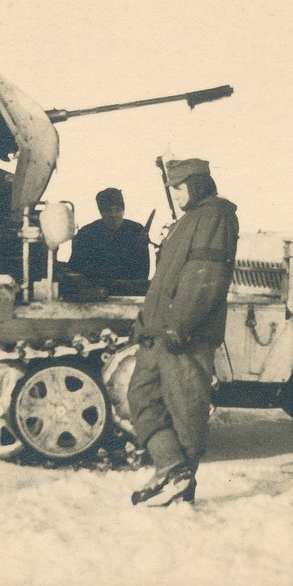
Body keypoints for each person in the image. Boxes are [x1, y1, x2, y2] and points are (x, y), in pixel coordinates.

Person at [127, 158, 238, 506]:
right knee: (140, 396)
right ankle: (173, 468)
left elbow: (205, 277)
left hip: (184, 334)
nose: (175, 195)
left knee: (186, 408)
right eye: (173, 188)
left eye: (180, 187)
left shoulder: (215, 216)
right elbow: (165, 281)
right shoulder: (188, 220)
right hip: (159, 331)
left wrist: (181, 324)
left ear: (199, 184)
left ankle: (181, 488)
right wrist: (146, 322)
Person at [67, 188, 151, 287]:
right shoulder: (86, 233)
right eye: (108, 210)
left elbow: (142, 271)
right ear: (101, 212)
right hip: (96, 290)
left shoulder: (136, 230)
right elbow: (76, 266)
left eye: (117, 209)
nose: (113, 215)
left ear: (123, 210)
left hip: (129, 290)